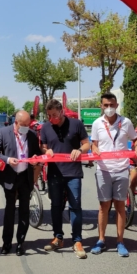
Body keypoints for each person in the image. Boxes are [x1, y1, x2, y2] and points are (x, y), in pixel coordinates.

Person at [90, 92, 137, 258]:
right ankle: (101, 240)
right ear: (101, 106)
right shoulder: (97, 123)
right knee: (103, 207)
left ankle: (120, 241)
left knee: (120, 206)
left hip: (121, 169)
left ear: (117, 105)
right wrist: (95, 149)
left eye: (112, 105)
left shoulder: (126, 122)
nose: (109, 108)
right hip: (103, 170)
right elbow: (93, 144)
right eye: (105, 105)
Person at [40, 99, 91, 259]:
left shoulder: (76, 124)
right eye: (49, 115)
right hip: (55, 173)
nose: (51, 118)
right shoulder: (45, 127)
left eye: (54, 115)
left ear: (61, 112)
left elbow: (86, 144)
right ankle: (58, 238)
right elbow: (43, 146)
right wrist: (46, 151)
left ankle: (77, 241)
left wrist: (79, 150)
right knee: (56, 206)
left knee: (75, 207)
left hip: (73, 173)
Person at [0, 110, 41, 256]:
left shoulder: (32, 135)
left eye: (28, 124)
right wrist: (7, 160)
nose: (26, 127)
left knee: (25, 211)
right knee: (10, 210)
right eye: (23, 125)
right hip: (10, 176)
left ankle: (20, 242)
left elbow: (37, 153)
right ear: (16, 123)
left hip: (25, 177)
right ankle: (6, 243)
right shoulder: (3, 132)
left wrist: (35, 158)